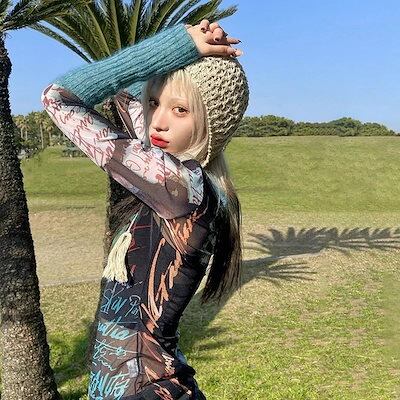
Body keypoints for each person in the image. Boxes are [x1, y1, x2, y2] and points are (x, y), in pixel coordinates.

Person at [41, 19, 249, 400]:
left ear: (211, 124)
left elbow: (59, 97)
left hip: (144, 388)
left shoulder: (179, 184)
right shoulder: (185, 180)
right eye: (154, 103)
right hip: (137, 383)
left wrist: (182, 45)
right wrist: (183, 50)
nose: (159, 121)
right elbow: (123, 93)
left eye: (180, 110)